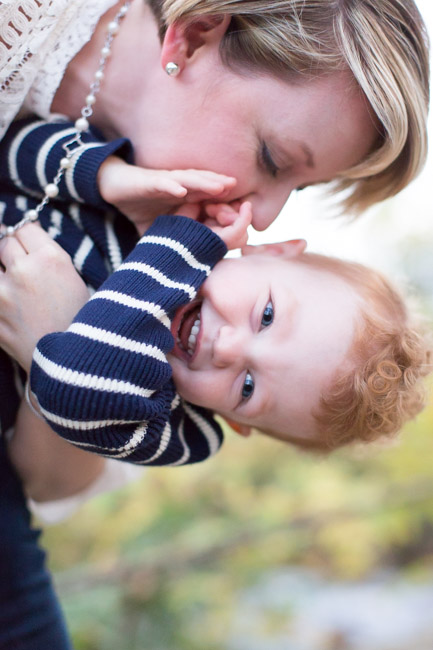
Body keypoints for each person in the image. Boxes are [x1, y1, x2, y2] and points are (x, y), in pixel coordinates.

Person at [0, 0, 429, 646]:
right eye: (275, 159)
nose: (262, 217)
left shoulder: (176, 403)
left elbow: (67, 438)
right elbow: (23, 155)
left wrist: (60, 334)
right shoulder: (148, 212)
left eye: (249, 388)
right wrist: (117, 185)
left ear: (238, 422)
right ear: (194, 35)